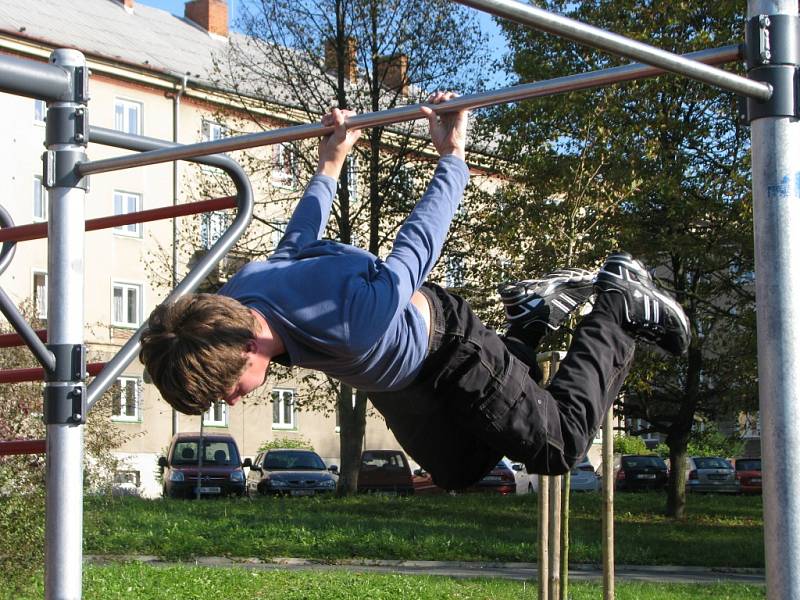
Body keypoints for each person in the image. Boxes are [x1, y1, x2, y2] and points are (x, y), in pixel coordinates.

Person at [140, 92, 690, 489]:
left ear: (247, 346)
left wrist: (452, 157)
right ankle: (531, 317)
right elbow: (294, 241)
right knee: (456, 468)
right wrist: (331, 161)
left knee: (558, 445)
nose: (233, 400)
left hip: (447, 348)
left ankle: (617, 302)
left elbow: (415, 248)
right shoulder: (241, 292)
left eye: (228, 388)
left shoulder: (349, 321)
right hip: (392, 374)